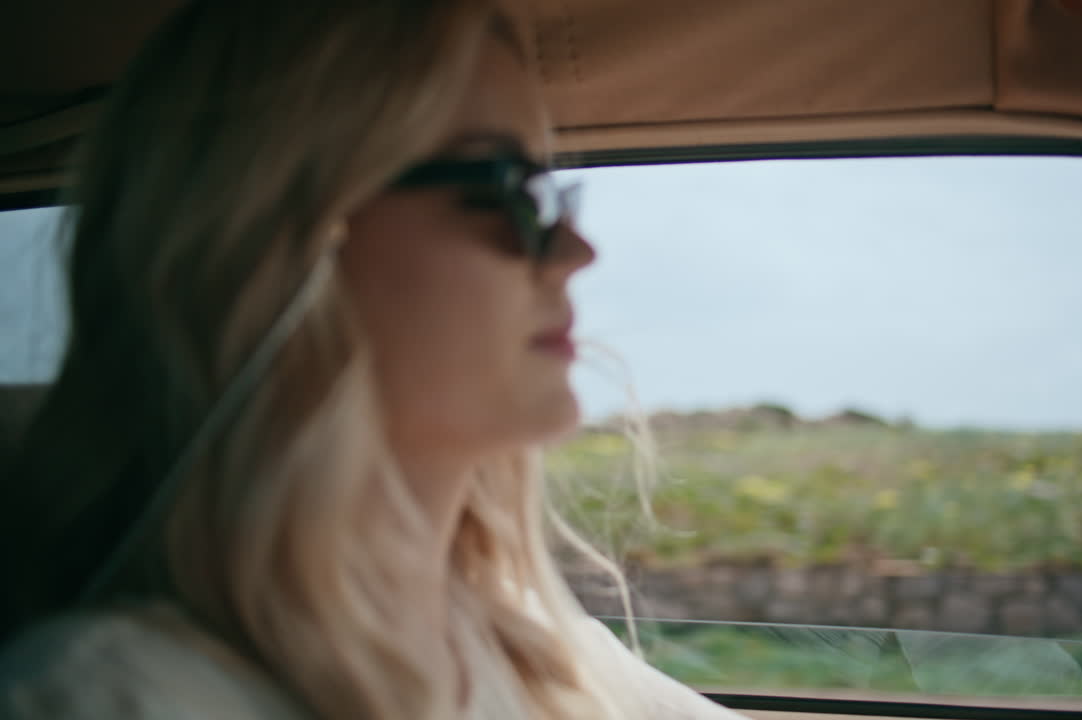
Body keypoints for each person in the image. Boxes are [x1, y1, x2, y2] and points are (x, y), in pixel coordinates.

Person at [0, 1, 746, 718]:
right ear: (277, 250)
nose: (576, 251)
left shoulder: (530, 647)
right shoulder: (109, 697)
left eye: (550, 196)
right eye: (501, 186)